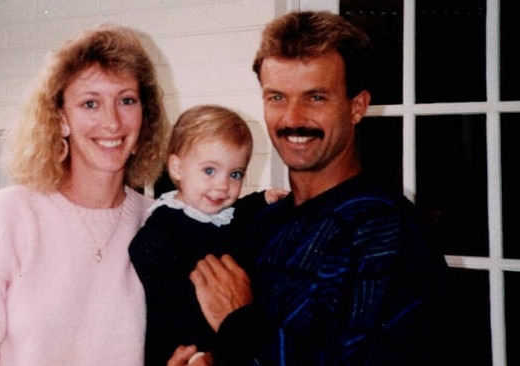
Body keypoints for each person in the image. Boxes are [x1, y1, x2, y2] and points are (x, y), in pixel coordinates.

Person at [169, 10, 449, 366]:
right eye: (277, 97)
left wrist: (237, 322)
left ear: (357, 106)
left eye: (315, 97)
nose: (292, 119)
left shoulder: (384, 232)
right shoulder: (262, 224)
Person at [0, 24, 169, 365]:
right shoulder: (8, 217)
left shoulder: (160, 224)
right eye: (90, 103)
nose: (112, 122)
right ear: (61, 118)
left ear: (145, 115)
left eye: (126, 100)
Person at [128, 104, 287, 366]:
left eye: (235, 174)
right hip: (182, 343)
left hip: (227, 337)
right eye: (209, 171)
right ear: (177, 169)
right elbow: (164, 299)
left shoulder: (225, 214)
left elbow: (242, 210)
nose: (223, 185)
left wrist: (264, 198)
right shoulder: (164, 226)